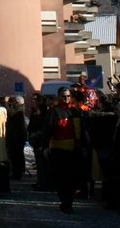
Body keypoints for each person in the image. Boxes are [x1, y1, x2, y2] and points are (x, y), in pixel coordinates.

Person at [48, 86, 86, 214]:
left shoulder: (75, 111)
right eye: (64, 96)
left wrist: (84, 146)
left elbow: (82, 130)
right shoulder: (54, 112)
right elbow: (48, 130)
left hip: (74, 151)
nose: (66, 98)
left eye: (68, 96)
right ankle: (66, 203)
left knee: (73, 179)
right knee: (62, 179)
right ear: (59, 97)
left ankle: (68, 202)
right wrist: (44, 146)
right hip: (60, 151)